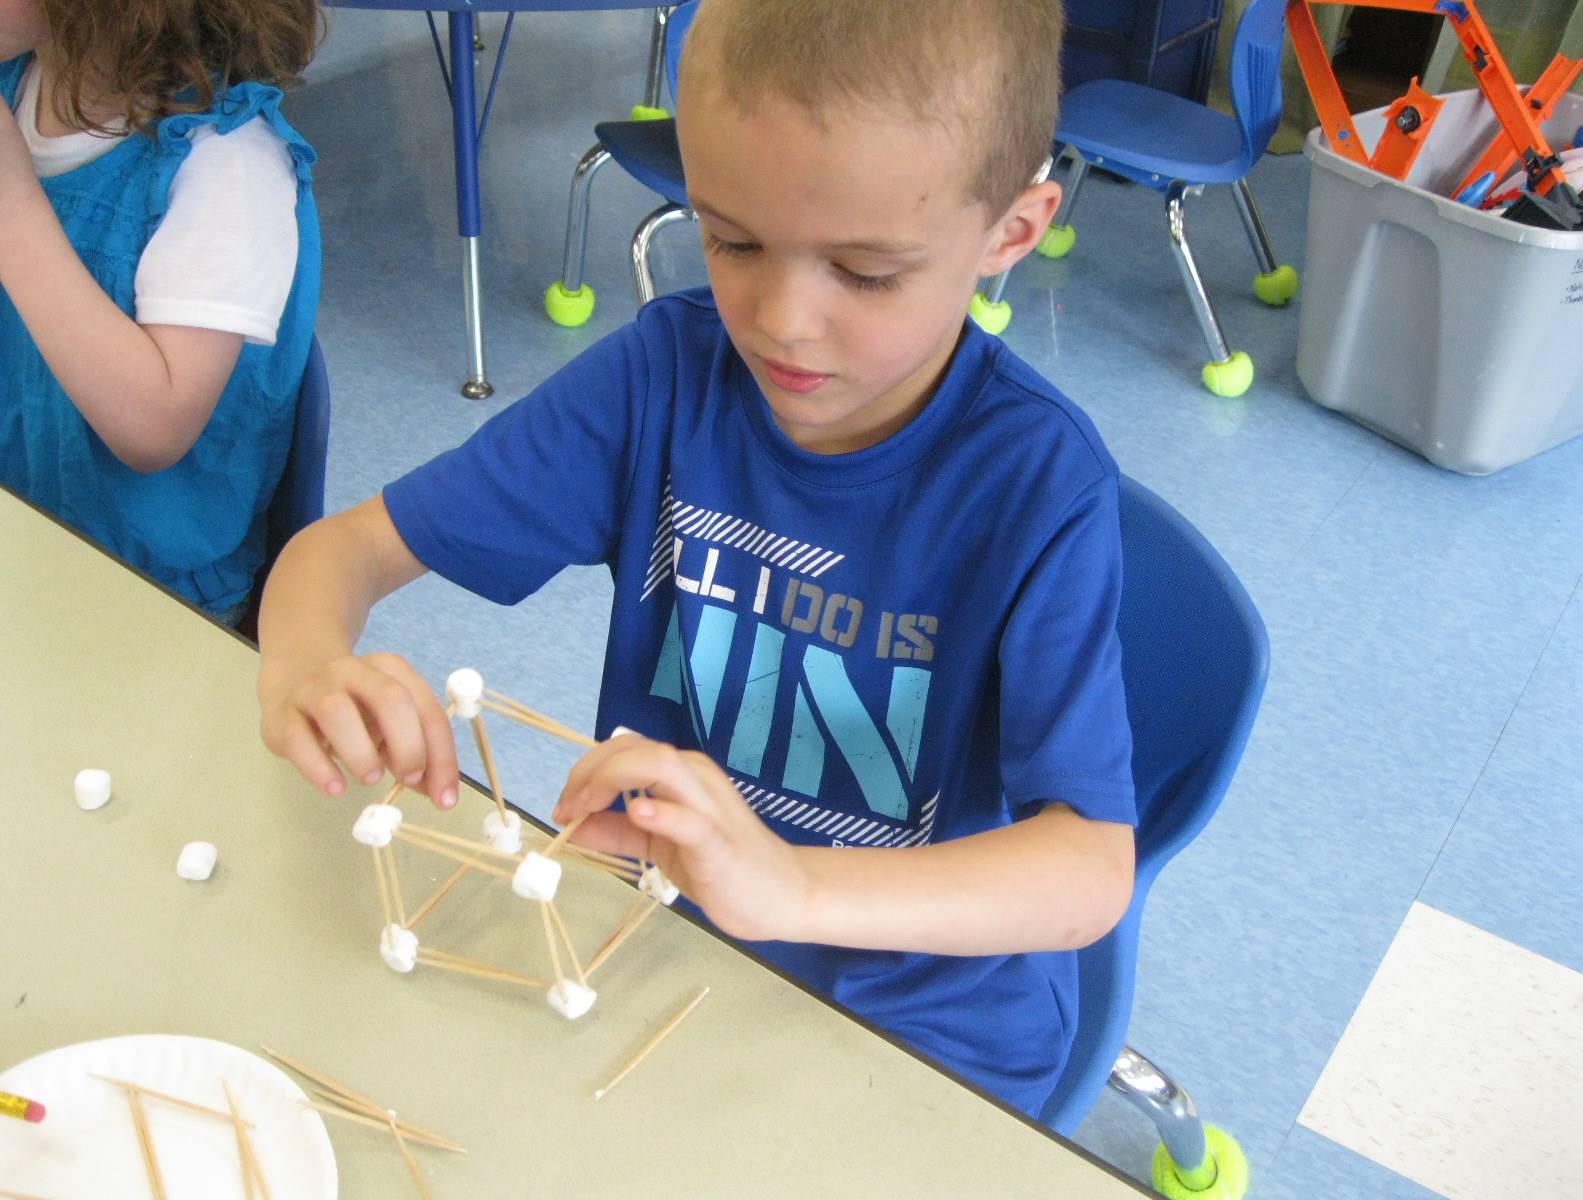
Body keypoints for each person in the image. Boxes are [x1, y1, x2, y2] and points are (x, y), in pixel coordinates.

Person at [257, 0, 1136, 1117]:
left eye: (864, 272)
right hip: (657, 953)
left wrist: (790, 885)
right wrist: (303, 665)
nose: (780, 320)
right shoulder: (662, 380)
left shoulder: (1037, 486)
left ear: (1011, 233)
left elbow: (1086, 872)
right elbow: (341, 552)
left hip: (921, 1034)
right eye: (729, 238)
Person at [0, 0, 321, 624]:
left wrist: (10, 204)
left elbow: (154, 426)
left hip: (143, 591)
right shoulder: (18, 73)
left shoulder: (231, 165)